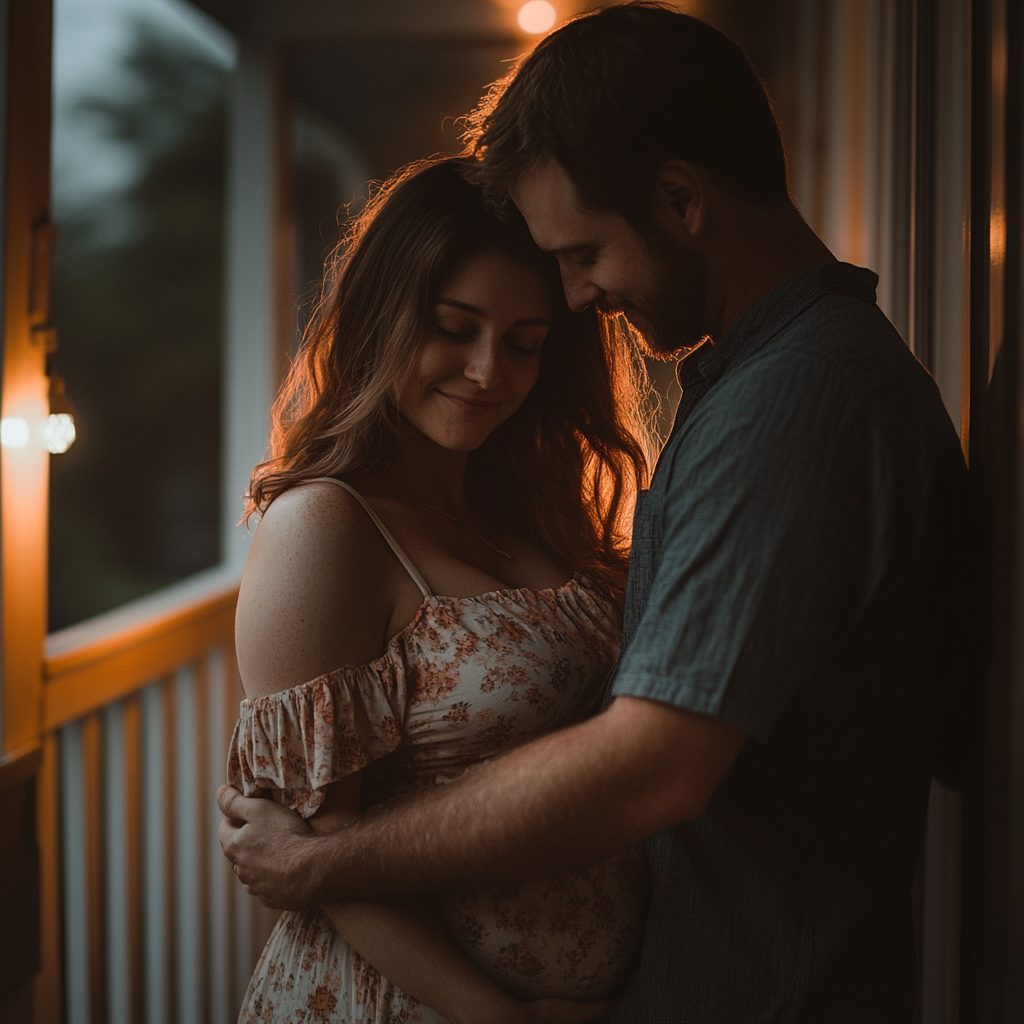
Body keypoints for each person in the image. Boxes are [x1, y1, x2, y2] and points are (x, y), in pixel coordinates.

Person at [220, 5, 983, 1021]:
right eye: (456, 328)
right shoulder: (754, 386)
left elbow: (653, 763)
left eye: (579, 257)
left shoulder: (797, 401)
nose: (580, 297)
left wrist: (322, 866)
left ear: (679, 198)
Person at [226, 155, 652, 1024]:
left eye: (525, 343)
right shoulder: (326, 528)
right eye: (454, 328)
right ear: (383, 318)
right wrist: (501, 1018)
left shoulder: (536, 515)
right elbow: (313, 851)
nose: (489, 371)